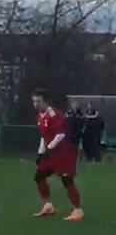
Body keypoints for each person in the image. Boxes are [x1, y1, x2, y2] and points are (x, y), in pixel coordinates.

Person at [31, 89, 83, 222]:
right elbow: (44, 136)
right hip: (51, 153)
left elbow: (60, 135)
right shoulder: (40, 116)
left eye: (38, 101)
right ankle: (48, 206)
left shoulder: (55, 115)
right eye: (34, 101)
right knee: (39, 176)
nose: (35, 104)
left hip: (64, 153)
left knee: (67, 180)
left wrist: (49, 149)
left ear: (46, 102)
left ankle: (78, 211)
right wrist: (41, 152)